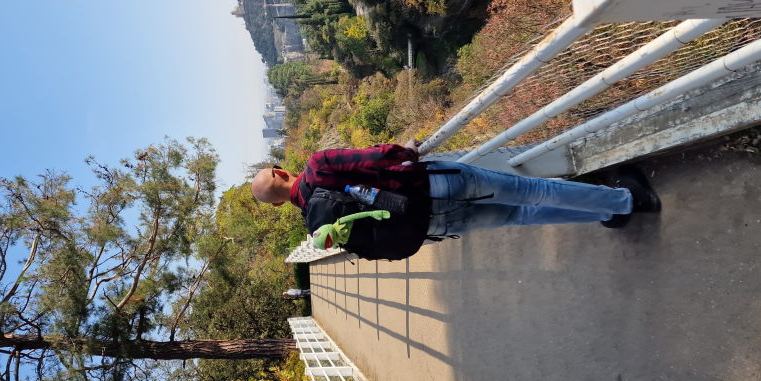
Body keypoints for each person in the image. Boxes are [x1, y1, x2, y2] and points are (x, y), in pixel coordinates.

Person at [251, 141, 659, 257]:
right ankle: (626, 199)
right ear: (283, 173)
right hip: (436, 186)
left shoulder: (316, 226)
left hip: (432, 225)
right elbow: (380, 155)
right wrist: (408, 151)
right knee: (533, 189)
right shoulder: (319, 164)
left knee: (521, 217)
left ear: (276, 204)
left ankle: (608, 212)